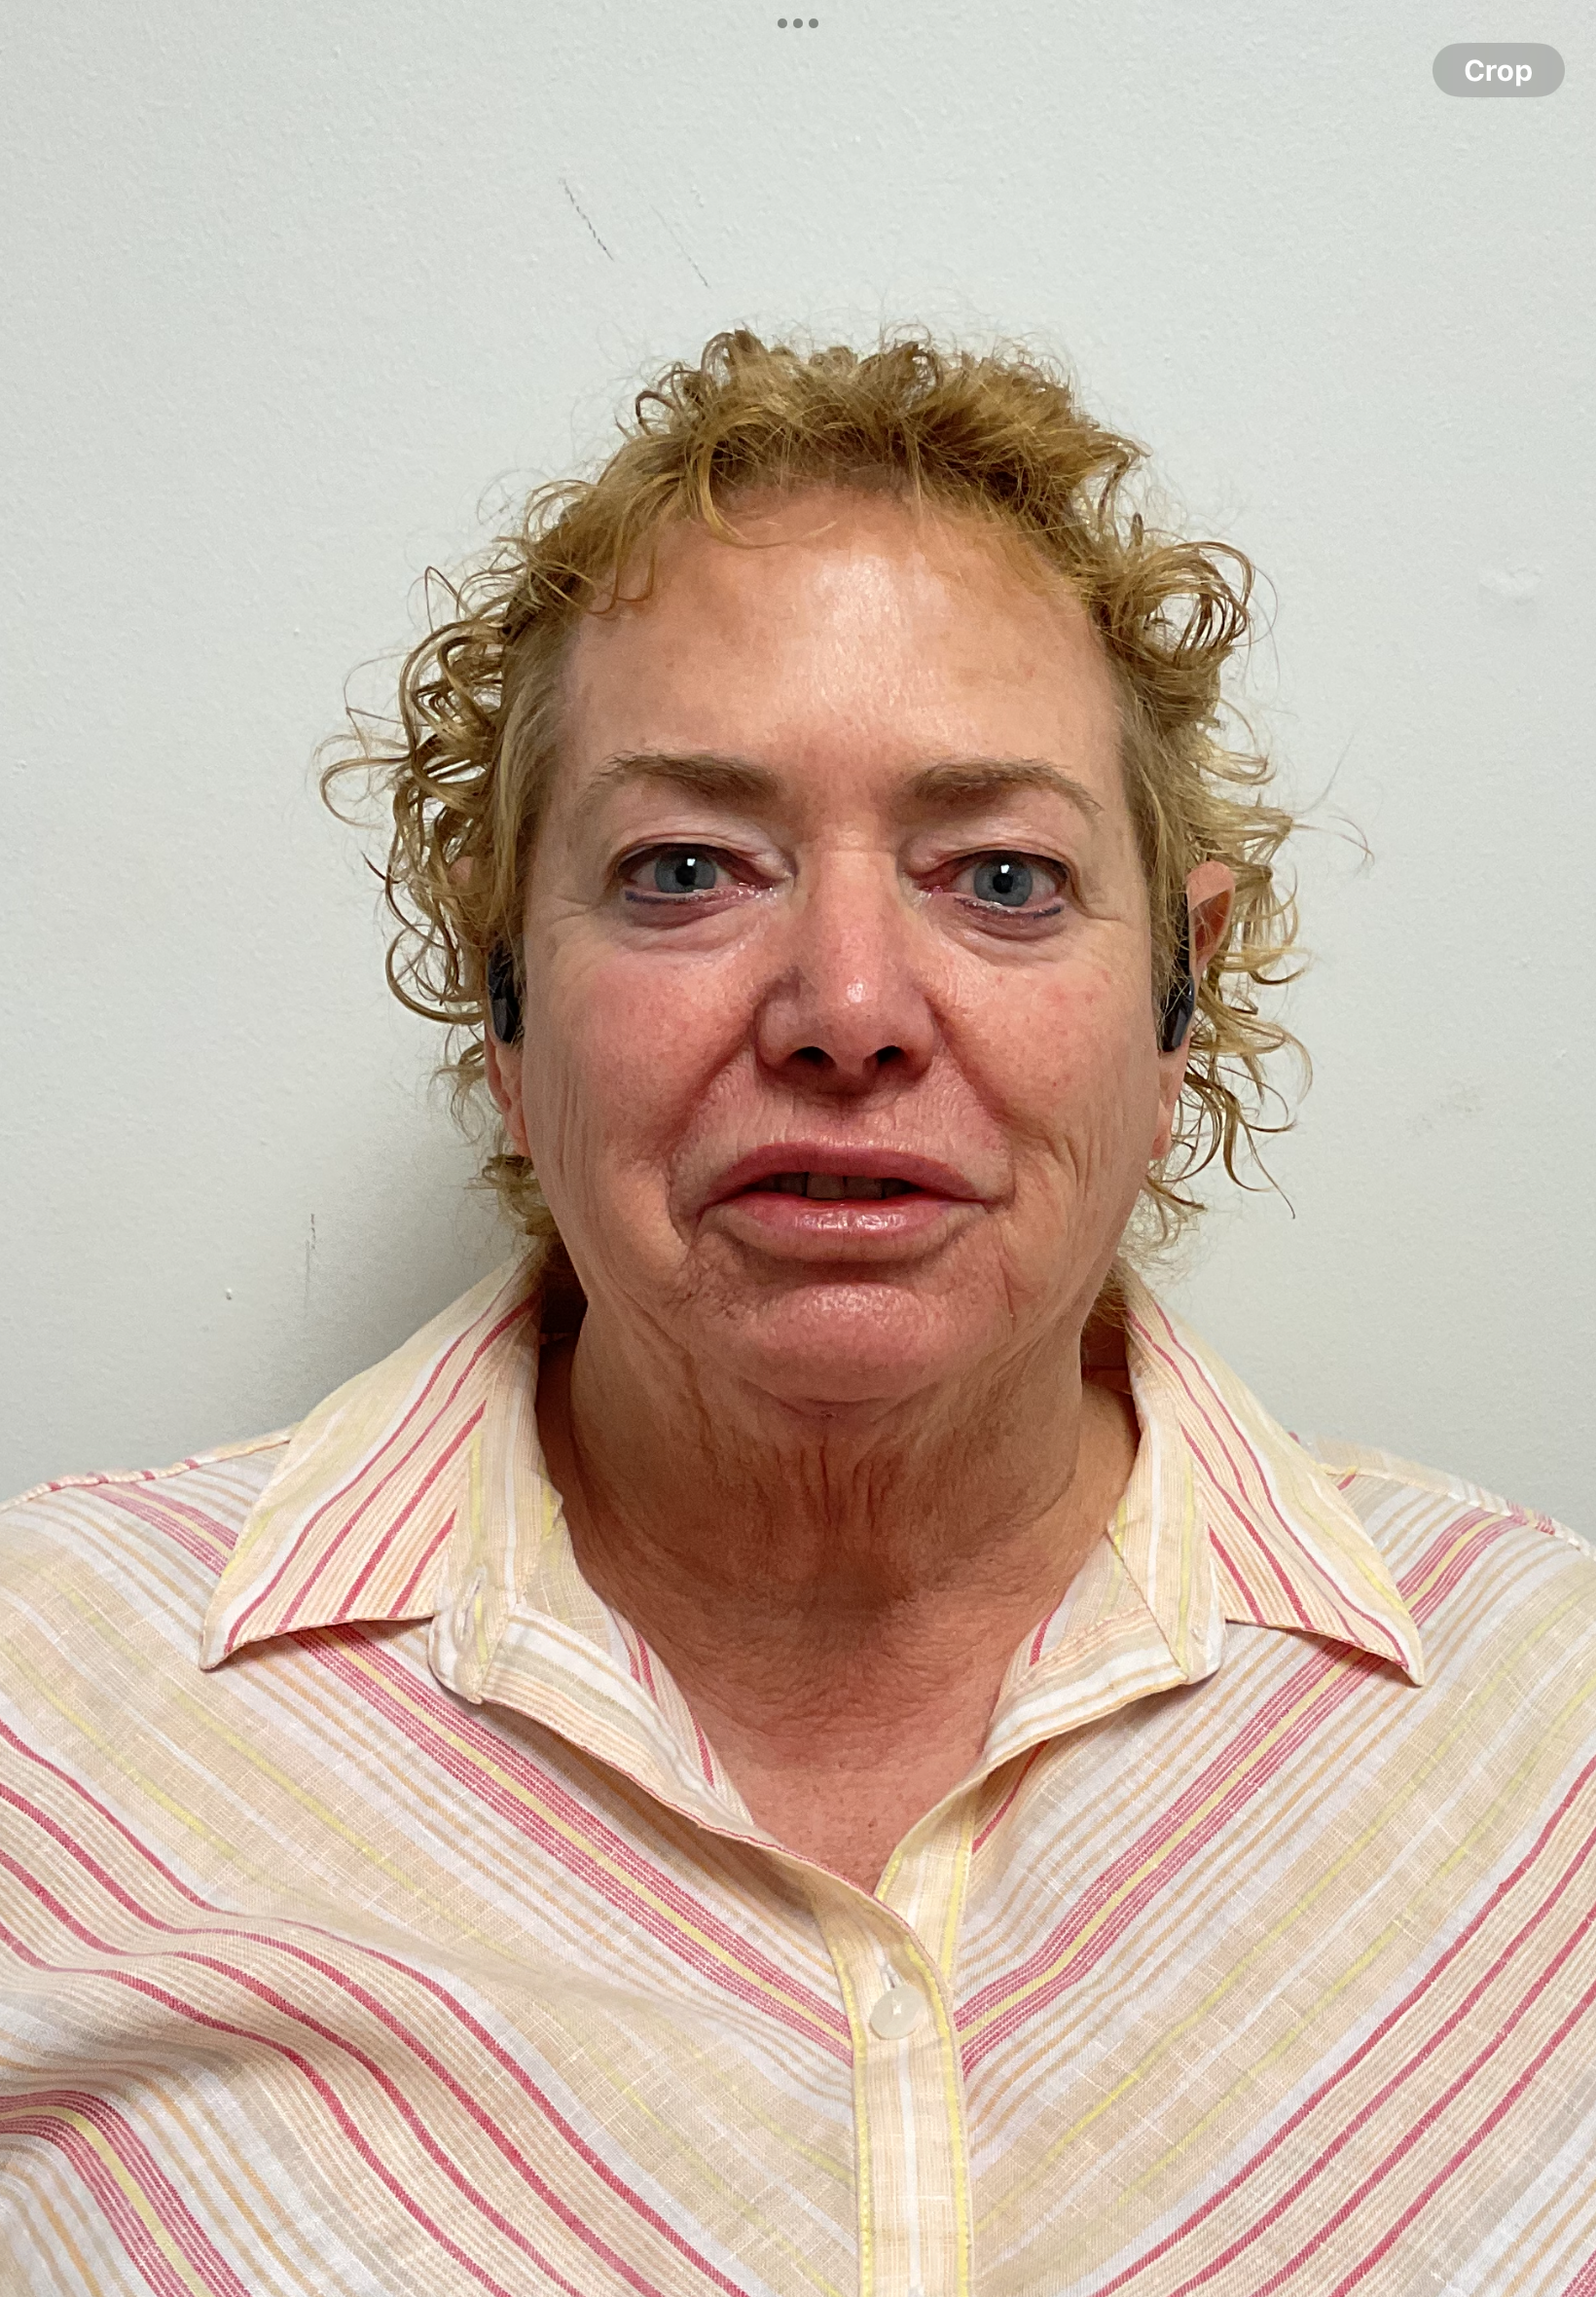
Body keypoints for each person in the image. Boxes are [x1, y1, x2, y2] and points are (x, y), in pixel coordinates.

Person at [2, 331, 1591, 2297]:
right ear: (500, 999)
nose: (846, 1005)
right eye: (685, 869)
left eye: (1000, 876)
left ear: (1177, 1002)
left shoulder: (1553, 1735)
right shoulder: (40, 1723)